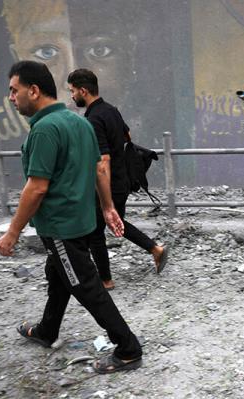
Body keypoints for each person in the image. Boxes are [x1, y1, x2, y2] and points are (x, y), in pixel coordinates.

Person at [0, 61, 142, 373]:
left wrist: (12, 232)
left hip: (61, 227)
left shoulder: (45, 129)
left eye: (14, 90)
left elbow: (36, 188)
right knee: (58, 277)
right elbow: (99, 167)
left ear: (33, 91)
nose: (11, 97)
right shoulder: (79, 123)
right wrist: (107, 207)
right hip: (80, 221)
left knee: (86, 286)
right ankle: (48, 331)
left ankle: (129, 348)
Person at [67, 68, 168, 290]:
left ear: (83, 90)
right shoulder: (111, 110)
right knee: (117, 224)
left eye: (73, 91)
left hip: (108, 185)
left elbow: (102, 162)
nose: (72, 96)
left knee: (95, 232)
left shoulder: (93, 118)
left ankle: (105, 280)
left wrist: (106, 200)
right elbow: (127, 136)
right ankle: (155, 249)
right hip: (122, 181)